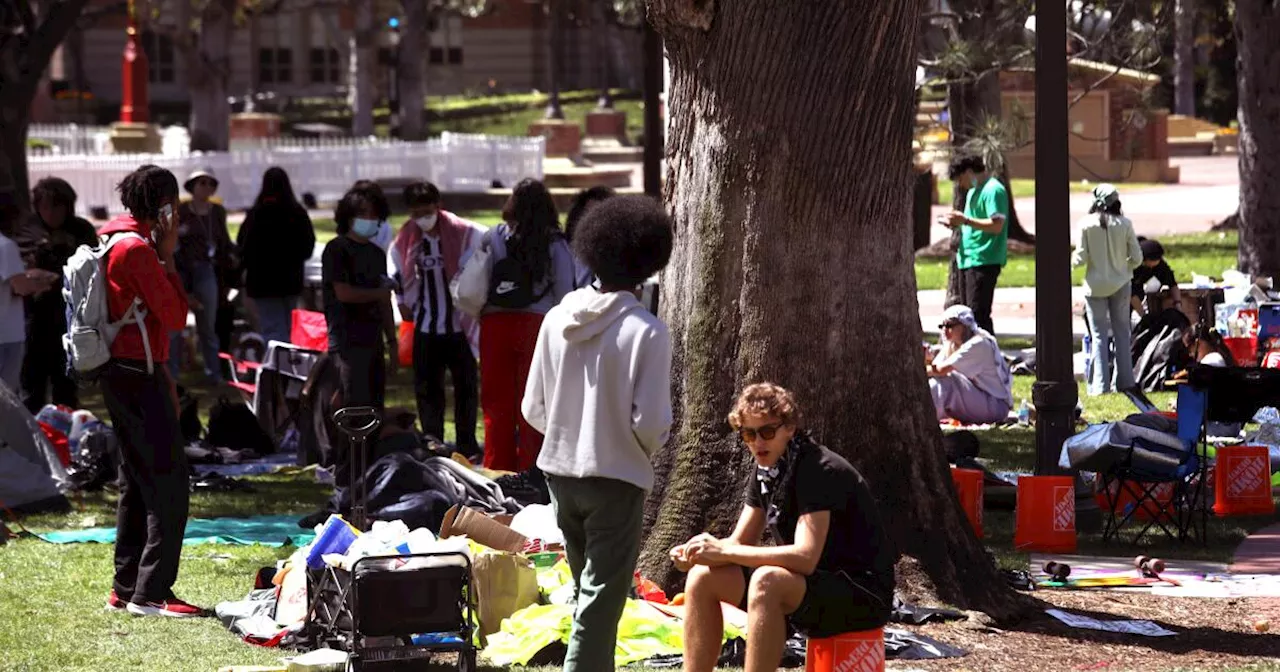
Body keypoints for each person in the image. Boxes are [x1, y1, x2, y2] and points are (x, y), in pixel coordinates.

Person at [521, 195, 674, 672]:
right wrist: (629, 448)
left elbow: (532, 408)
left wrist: (569, 435)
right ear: (650, 260)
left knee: (589, 589)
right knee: (603, 597)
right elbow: (650, 422)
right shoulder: (647, 331)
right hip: (617, 477)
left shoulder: (554, 320)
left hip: (560, 476)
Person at [672, 383, 895, 672]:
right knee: (703, 576)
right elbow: (739, 543)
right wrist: (698, 554)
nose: (757, 442)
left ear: (789, 428)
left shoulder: (818, 469)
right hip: (815, 584)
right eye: (748, 434)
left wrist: (723, 550)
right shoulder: (768, 469)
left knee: (768, 581)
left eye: (766, 431)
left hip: (862, 592)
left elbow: (805, 557)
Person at [98, 165, 200, 617]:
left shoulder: (110, 237)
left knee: (135, 482)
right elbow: (176, 317)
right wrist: (171, 257)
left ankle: (125, 586)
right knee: (169, 481)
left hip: (120, 370)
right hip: (139, 373)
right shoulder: (138, 251)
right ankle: (152, 593)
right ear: (163, 208)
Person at [479, 178, 576, 472]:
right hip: (537, 326)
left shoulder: (494, 237)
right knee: (534, 402)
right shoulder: (556, 244)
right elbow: (564, 293)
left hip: (495, 325)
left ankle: (497, 468)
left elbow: (476, 280)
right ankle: (532, 469)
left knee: (496, 404)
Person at [390, 181, 484, 457]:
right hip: (426, 325)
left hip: (459, 326)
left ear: (438, 205)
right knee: (427, 388)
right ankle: (433, 440)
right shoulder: (406, 239)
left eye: (427, 210)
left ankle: (467, 442)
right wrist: (401, 302)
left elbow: (484, 256)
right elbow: (396, 271)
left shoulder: (464, 233)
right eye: (417, 212)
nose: (423, 217)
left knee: (465, 386)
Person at [321, 182, 399, 490]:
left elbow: (383, 304)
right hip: (347, 342)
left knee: (374, 412)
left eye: (374, 214)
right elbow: (343, 293)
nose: (370, 219)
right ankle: (345, 482)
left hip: (372, 341)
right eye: (363, 213)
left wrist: (392, 342)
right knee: (352, 412)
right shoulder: (337, 249)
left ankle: (369, 481)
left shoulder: (377, 254)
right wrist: (379, 292)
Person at [14, 177, 97, 412]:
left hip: (70, 320)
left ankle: (65, 439)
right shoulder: (26, 229)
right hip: (33, 320)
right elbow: (15, 269)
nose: (51, 213)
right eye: (46, 206)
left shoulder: (80, 230)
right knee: (31, 389)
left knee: (66, 387)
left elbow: (93, 268)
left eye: (58, 206)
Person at [1072, 184, 1142, 396]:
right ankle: (1125, 383)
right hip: (1121, 284)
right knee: (1122, 333)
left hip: (1095, 287)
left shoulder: (1085, 224)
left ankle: (1100, 386)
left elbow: (1081, 257)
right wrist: (1123, 267)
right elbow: (1137, 258)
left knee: (1099, 336)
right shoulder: (1125, 224)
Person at [237, 167, 316, 346]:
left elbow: (243, 247)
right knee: (289, 328)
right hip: (290, 280)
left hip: (262, 282)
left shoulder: (255, 215)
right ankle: (289, 368)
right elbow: (308, 246)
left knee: (272, 329)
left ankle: (276, 369)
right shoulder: (297, 213)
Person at [169, 169, 233, 383]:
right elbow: (173, 243)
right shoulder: (182, 210)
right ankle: (173, 374)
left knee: (208, 326)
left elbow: (224, 241)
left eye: (210, 183)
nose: (206, 187)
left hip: (207, 269)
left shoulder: (217, 211)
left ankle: (213, 373)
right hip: (182, 269)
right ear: (192, 186)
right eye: (202, 183)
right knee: (175, 327)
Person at [942, 154, 1009, 334]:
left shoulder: (993, 190)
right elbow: (971, 222)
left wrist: (965, 220)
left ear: (970, 172)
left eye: (961, 179)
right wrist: (957, 223)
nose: (961, 185)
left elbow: (997, 225)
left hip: (985, 259)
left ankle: (989, 358)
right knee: (968, 316)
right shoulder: (973, 192)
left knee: (979, 315)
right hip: (968, 259)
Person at [1, 200, 59, 391]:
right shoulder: (6, 246)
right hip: (7, 335)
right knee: (7, 398)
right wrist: (45, 282)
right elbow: (21, 288)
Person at [927, 304, 1014, 424]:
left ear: (964, 325)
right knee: (940, 381)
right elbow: (935, 369)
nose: (945, 330)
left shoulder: (979, 343)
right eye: (942, 326)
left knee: (949, 381)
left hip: (996, 406)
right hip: (981, 399)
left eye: (949, 325)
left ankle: (926, 419)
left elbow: (940, 370)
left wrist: (918, 369)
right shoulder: (952, 344)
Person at [563, 185, 616, 288]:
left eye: (601, 215)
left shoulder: (617, 253)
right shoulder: (568, 253)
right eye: (589, 215)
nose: (595, 222)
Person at [1131, 237, 1181, 315]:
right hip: (1117, 288)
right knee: (1136, 294)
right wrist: (1143, 316)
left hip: (1135, 289)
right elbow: (1131, 293)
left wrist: (1178, 305)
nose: (1152, 268)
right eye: (1150, 265)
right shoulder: (1132, 265)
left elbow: (1172, 284)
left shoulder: (1159, 265)